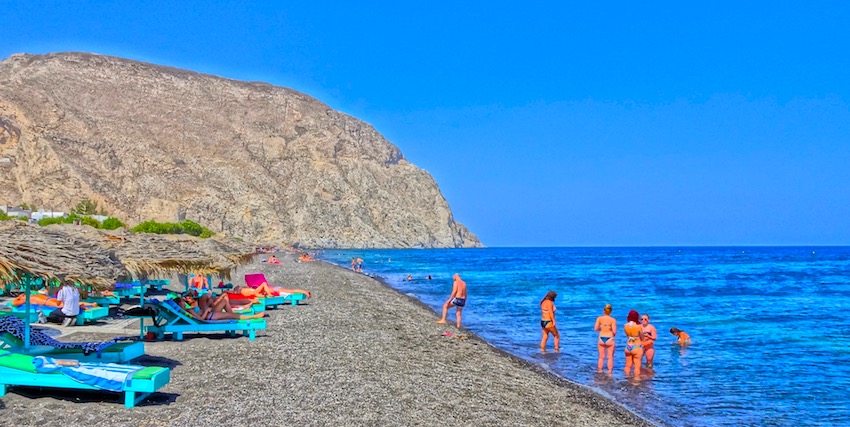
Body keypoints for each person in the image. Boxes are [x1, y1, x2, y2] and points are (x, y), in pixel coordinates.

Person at [594, 304, 616, 373]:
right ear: (611, 311)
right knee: (610, 357)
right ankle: (609, 372)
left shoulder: (599, 318)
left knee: (601, 357)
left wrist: (602, 328)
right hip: (609, 338)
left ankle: (600, 371)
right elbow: (614, 332)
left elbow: (596, 328)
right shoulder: (613, 320)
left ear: (604, 311)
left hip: (601, 338)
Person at [623, 310, 643, 377]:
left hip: (628, 346)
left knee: (628, 365)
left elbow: (627, 335)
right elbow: (642, 337)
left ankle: (627, 378)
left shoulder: (625, 326)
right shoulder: (638, 326)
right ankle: (636, 381)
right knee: (637, 366)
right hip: (636, 346)